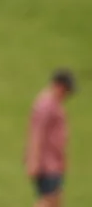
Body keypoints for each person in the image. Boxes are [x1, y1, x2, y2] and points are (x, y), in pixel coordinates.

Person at [26, 69, 75, 207]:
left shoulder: (53, 103)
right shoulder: (45, 105)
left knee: (56, 200)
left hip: (54, 163)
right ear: (59, 85)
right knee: (48, 201)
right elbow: (37, 133)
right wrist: (33, 161)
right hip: (47, 164)